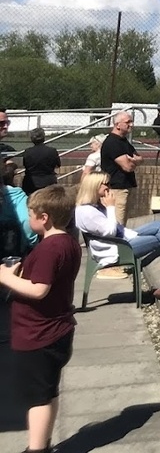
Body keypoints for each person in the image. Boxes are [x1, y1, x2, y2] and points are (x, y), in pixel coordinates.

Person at [0, 185, 81, 453]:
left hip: (40, 335)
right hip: (56, 330)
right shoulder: (68, 241)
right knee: (48, 391)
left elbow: (39, 289)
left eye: (30, 213)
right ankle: (42, 441)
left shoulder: (49, 249)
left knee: (37, 398)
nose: (28, 218)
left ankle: (36, 449)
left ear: (44, 217)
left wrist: (6, 277)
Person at [74, 173, 160, 275]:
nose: (109, 187)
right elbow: (110, 231)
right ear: (94, 186)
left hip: (121, 240)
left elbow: (112, 229)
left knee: (158, 225)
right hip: (115, 251)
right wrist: (111, 208)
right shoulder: (87, 212)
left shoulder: (93, 206)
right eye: (106, 184)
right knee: (159, 240)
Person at [99, 111, 142, 224]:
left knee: (123, 222)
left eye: (132, 122)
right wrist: (134, 161)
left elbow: (140, 158)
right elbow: (127, 166)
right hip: (116, 189)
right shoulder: (112, 142)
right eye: (128, 122)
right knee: (118, 224)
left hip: (125, 187)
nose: (131, 125)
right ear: (117, 125)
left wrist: (136, 160)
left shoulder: (123, 141)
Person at [20, 127, 61, 196]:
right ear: (43, 138)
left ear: (32, 139)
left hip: (31, 182)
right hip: (49, 182)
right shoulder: (52, 151)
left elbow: (25, 165)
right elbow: (58, 164)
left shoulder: (27, 152)